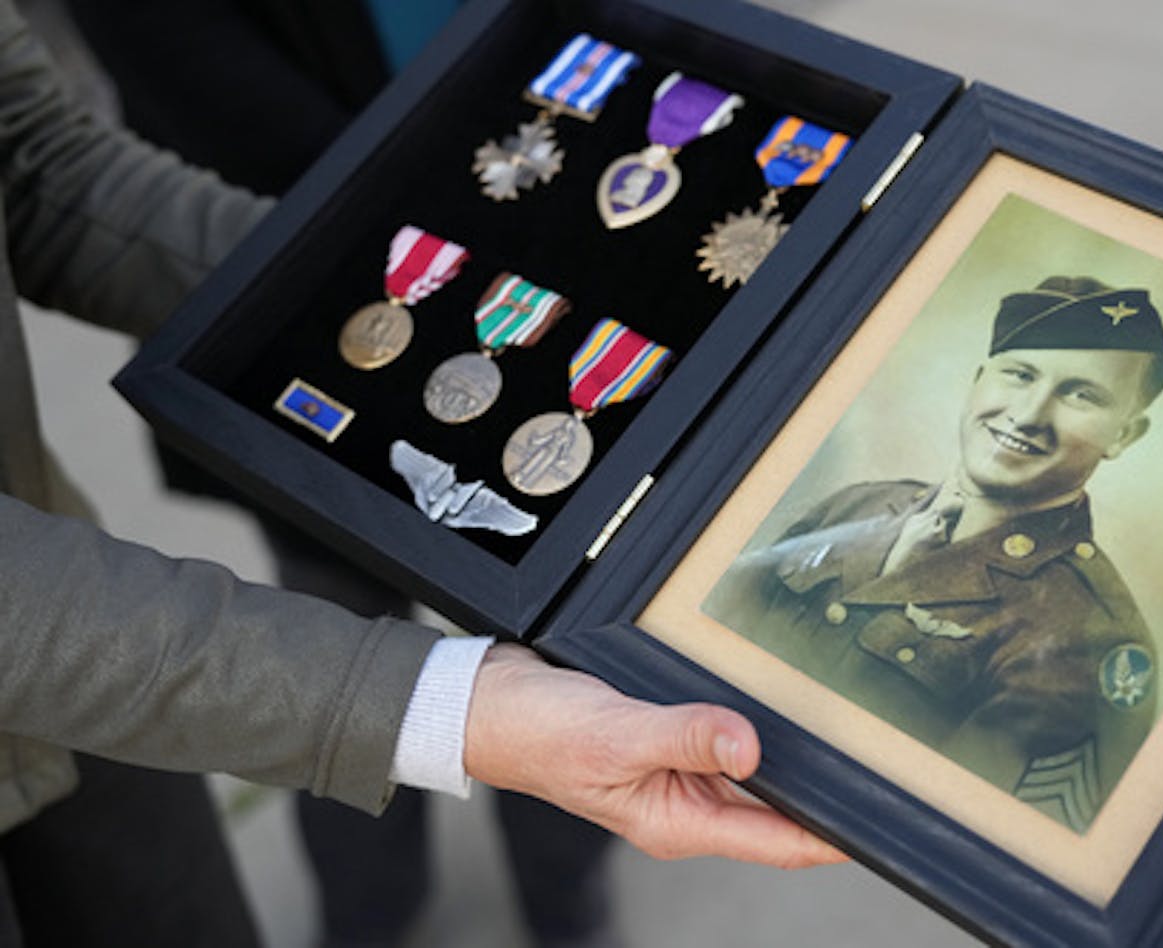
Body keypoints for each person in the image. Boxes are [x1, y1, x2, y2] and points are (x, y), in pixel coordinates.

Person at [0, 4, 842, 945]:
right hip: (150, 565)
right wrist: (444, 707)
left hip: (89, 684)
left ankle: (561, 907)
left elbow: (37, 166)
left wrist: (391, 287)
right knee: (344, 667)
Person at [58, 3, 620, 945]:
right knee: (338, 647)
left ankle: (567, 902)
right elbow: (198, 100)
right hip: (316, 336)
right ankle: (370, 918)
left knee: (553, 651)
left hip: (535, 284)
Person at [706, 276, 1163, 833]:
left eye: (1081, 395)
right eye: (1019, 375)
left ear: (1125, 435)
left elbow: (955, 837)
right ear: (978, 382)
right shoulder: (857, 507)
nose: (1028, 415)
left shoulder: (1087, 637)